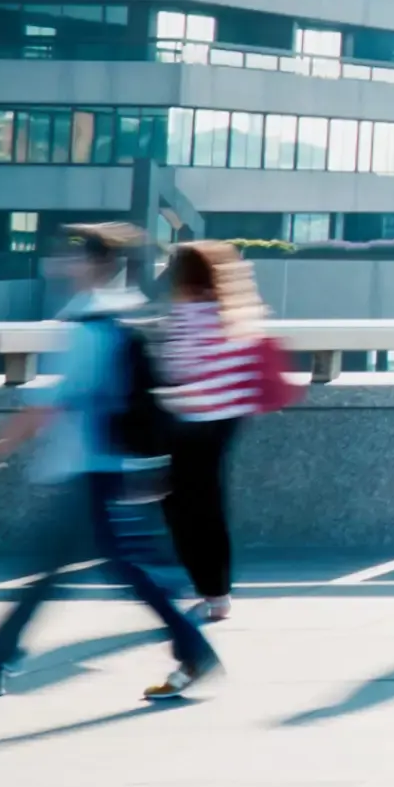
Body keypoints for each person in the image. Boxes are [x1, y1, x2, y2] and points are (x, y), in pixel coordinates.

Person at [0, 223, 220, 700]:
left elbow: (54, 402)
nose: (63, 262)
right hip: (102, 464)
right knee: (70, 565)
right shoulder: (116, 317)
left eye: (74, 255)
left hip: (88, 467)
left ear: (95, 265)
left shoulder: (88, 327)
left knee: (117, 567)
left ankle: (192, 647)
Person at [151, 238, 273, 624]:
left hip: (192, 423)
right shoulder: (235, 312)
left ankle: (205, 588)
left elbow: (175, 370)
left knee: (181, 507)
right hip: (228, 420)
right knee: (210, 506)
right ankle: (217, 592)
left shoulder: (188, 315)